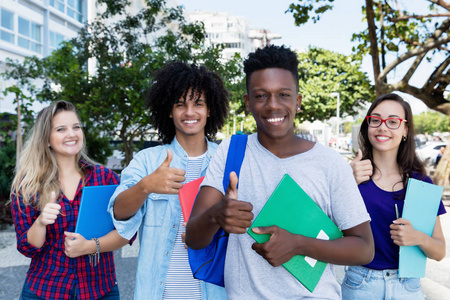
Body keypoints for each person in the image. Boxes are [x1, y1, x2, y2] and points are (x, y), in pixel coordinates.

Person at [185, 45, 374, 299]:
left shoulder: (329, 163)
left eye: (283, 94)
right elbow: (194, 240)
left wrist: (299, 244)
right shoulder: (232, 151)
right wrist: (216, 215)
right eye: (261, 96)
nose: (273, 105)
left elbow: (364, 248)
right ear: (248, 103)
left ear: (297, 102)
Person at [108, 62, 229, 300]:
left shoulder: (226, 161)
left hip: (215, 293)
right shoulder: (148, 160)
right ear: (170, 111)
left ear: (210, 110)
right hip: (160, 292)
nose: (190, 112)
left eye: (198, 104)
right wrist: (146, 186)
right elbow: (119, 214)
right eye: (180, 104)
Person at [10, 101, 132, 300]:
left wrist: (91, 246)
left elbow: (126, 232)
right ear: (46, 139)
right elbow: (27, 247)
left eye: (76, 127)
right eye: (61, 129)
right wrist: (41, 222)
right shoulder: (28, 185)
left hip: (99, 290)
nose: (72, 134)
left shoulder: (105, 179)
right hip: (46, 290)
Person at [344, 93, 446, 299]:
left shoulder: (421, 185)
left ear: (405, 129)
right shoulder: (350, 176)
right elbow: (326, 234)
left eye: (393, 121)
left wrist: (418, 237)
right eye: (376, 120)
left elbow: (439, 251)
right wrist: (346, 183)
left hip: (407, 288)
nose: (382, 127)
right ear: (368, 125)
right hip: (360, 284)